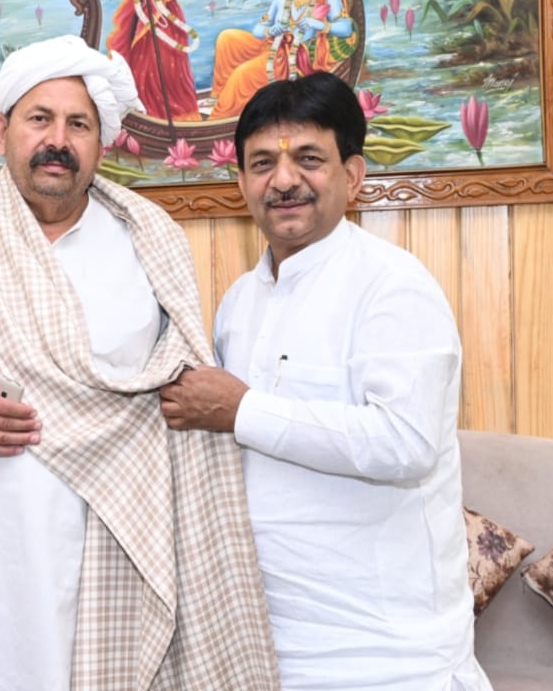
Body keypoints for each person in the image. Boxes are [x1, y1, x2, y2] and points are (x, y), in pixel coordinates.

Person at [0, 34, 279, 691]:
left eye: (79, 125)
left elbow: (178, 385)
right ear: (2, 131)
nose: (57, 140)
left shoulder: (148, 240)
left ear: (102, 143)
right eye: (39, 119)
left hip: (106, 555)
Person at [159, 71, 491, 690]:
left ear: (353, 175)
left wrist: (244, 409)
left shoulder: (392, 286)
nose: (284, 180)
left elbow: (406, 444)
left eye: (308, 159)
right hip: (264, 642)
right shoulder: (240, 301)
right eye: (262, 163)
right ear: (241, 183)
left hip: (385, 655)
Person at [207, 0, 356, 119]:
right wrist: (270, 30)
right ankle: (219, 97)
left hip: (295, 56)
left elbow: (346, 29)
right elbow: (258, 30)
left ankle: (221, 115)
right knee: (227, 38)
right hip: (275, 43)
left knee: (243, 74)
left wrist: (318, 24)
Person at [107, 0, 201, 122]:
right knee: (141, 67)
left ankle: (175, 116)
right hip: (144, 18)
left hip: (166, 23)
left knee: (166, 68)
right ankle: (144, 111)